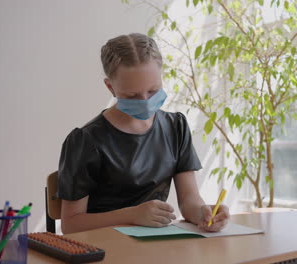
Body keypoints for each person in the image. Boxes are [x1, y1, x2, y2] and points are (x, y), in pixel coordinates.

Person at [57, 33, 229, 234]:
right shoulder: (86, 140)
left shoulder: (176, 127)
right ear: (110, 87)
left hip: (155, 245)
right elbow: (71, 224)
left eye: (153, 90)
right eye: (133, 95)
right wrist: (131, 215)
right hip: (105, 248)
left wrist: (204, 213)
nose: (146, 101)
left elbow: (189, 199)